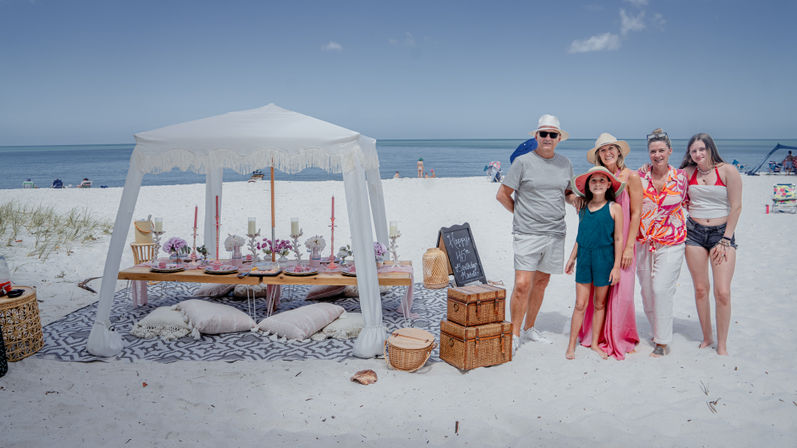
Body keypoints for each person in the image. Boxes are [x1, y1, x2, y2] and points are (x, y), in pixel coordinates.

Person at [496, 114, 578, 354]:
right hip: (527, 234)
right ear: (536, 136)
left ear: (559, 138)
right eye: (543, 134)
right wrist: (520, 214)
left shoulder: (566, 164)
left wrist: (577, 201)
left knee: (541, 283)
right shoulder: (522, 162)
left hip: (555, 233)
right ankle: (514, 332)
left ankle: (530, 328)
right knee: (522, 284)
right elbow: (502, 195)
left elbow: (567, 192)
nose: (548, 138)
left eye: (553, 134)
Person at [577, 133, 642, 360]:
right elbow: (576, 196)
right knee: (598, 292)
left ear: (619, 151)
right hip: (601, 245)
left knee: (622, 292)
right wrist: (573, 199)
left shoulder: (631, 176)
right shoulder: (597, 179)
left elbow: (635, 213)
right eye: (603, 150)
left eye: (611, 148)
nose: (608, 153)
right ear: (598, 155)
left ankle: (619, 335)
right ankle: (597, 336)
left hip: (623, 242)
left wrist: (628, 246)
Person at [680, 133, 742, 355]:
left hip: (721, 235)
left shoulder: (727, 171)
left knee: (722, 292)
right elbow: (663, 183)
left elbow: (736, 207)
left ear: (710, 149)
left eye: (701, 149)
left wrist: (726, 238)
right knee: (700, 289)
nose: (697, 154)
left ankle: (722, 343)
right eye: (693, 150)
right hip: (694, 233)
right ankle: (707, 336)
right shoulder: (687, 173)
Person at [637, 128, 688, 357]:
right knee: (647, 293)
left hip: (672, 242)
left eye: (661, 150)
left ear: (670, 151)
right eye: (652, 151)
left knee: (661, 289)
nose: (657, 155)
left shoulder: (681, 178)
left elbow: (689, 203)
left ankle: (663, 342)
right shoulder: (639, 176)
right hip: (644, 243)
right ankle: (658, 330)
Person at [564, 166, 624, 360]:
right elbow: (580, 236)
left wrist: (616, 266)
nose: (597, 184)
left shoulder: (615, 208)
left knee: (599, 304)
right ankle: (571, 344)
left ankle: (595, 344)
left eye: (601, 180)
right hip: (584, 258)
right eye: (593, 181)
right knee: (580, 304)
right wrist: (572, 257)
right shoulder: (583, 207)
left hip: (604, 260)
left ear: (608, 185)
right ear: (588, 186)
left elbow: (618, 239)